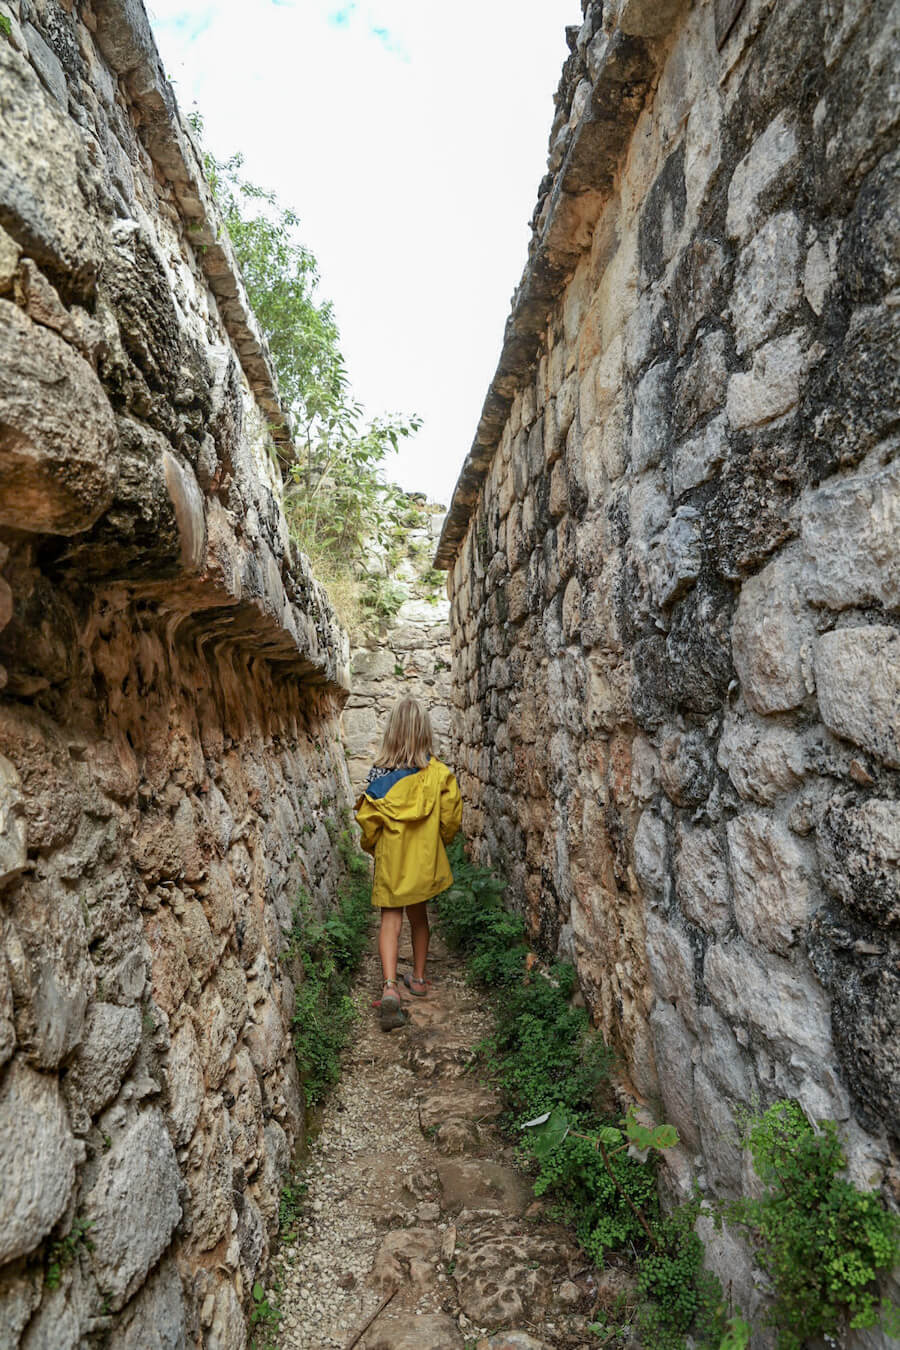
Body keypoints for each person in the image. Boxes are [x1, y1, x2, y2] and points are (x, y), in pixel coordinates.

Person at [355, 697, 462, 1031]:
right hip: (421, 861)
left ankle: (389, 987)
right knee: (419, 919)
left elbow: (368, 823)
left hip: (392, 860)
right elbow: (450, 820)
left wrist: (373, 847)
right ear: (424, 732)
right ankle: (417, 978)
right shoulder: (439, 774)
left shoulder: (378, 775)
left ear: (392, 733)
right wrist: (435, 843)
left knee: (390, 920)